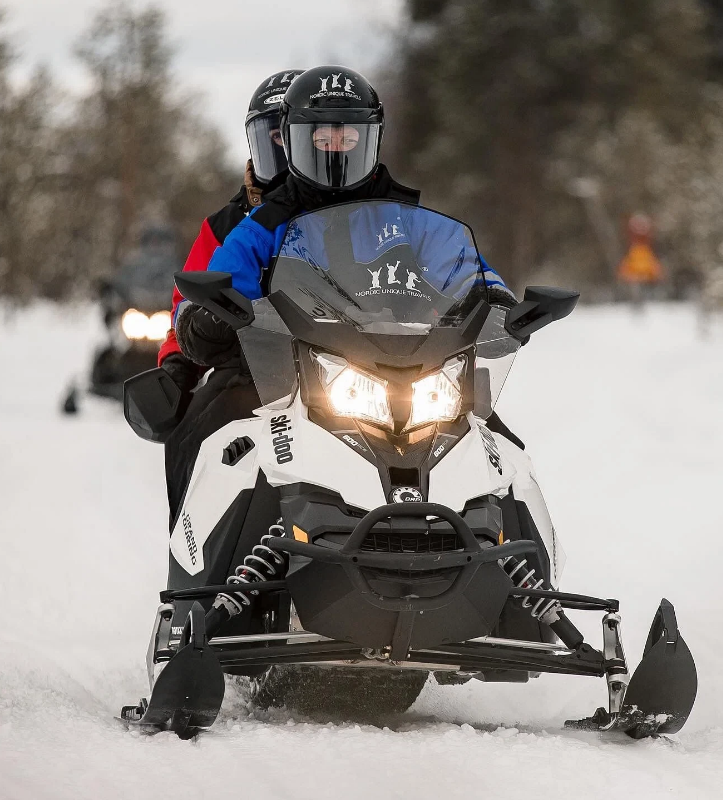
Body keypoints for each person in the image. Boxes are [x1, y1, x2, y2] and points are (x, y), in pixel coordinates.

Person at [167, 65, 515, 524]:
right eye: (320, 137)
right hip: (286, 372)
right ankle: (204, 567)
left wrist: (499, 302)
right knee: (212, 418)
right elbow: (225, 277)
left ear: (370, 139)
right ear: (294, 140)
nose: (334, 147)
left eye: (348, 137)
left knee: (494, 438)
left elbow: (466, 267)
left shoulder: (405, 218)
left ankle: (522, 568)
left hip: (405, 364)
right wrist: (209, 315)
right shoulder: (264, 224)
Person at [157, 69, 305, 402]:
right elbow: (187, 304)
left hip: (349, 369)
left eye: (294, 135)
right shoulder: (226, 225)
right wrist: (178, 361)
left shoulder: (355, 217)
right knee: (197, 427)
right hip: (253, 370)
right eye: (276, 137)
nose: (285, 150)